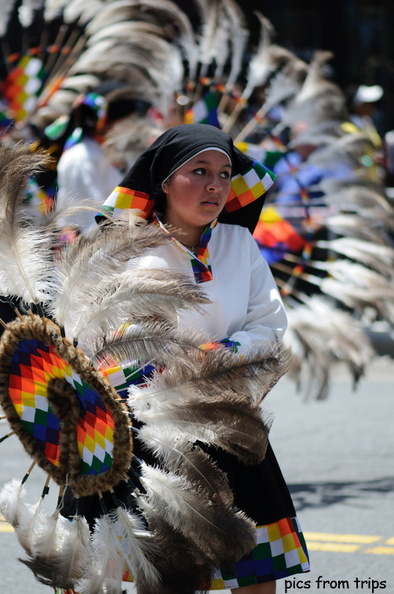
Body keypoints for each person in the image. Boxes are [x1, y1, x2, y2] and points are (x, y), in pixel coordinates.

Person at [95, 123, 310, 593]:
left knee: (259, 577)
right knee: (175, 579)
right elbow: (112, 340)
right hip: (157, 435)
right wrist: (184, 362)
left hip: (232, 424)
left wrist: (218, 359)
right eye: (199, 171)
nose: (215, 184)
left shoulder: (239, 244)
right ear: (165, 182)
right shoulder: (125, 251)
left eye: (225, 173)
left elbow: (269, 325)